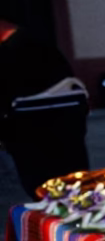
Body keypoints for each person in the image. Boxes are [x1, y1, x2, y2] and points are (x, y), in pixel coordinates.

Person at [0, 17, 89, 197]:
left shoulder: (10, 50)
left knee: (43, 192)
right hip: (66, 128)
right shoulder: (36, 41)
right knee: (76, 189)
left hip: (32, 136)